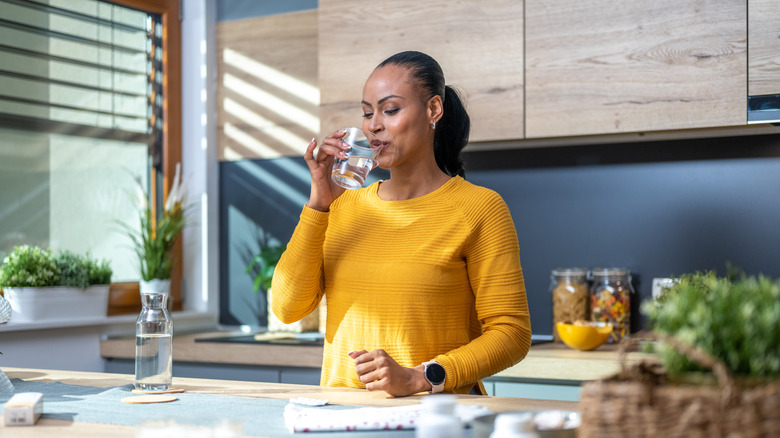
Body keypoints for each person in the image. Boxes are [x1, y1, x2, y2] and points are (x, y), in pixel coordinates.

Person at [271, 50, 531, 396]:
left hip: (437, 421)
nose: (373, 125)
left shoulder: (479, 208)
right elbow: (287, 309)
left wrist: (420, 378)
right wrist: (319, 204)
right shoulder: (342, 207)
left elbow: (511, 333)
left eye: (390, 110)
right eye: (367, 113)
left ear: (433, 110)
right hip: (344, 419)